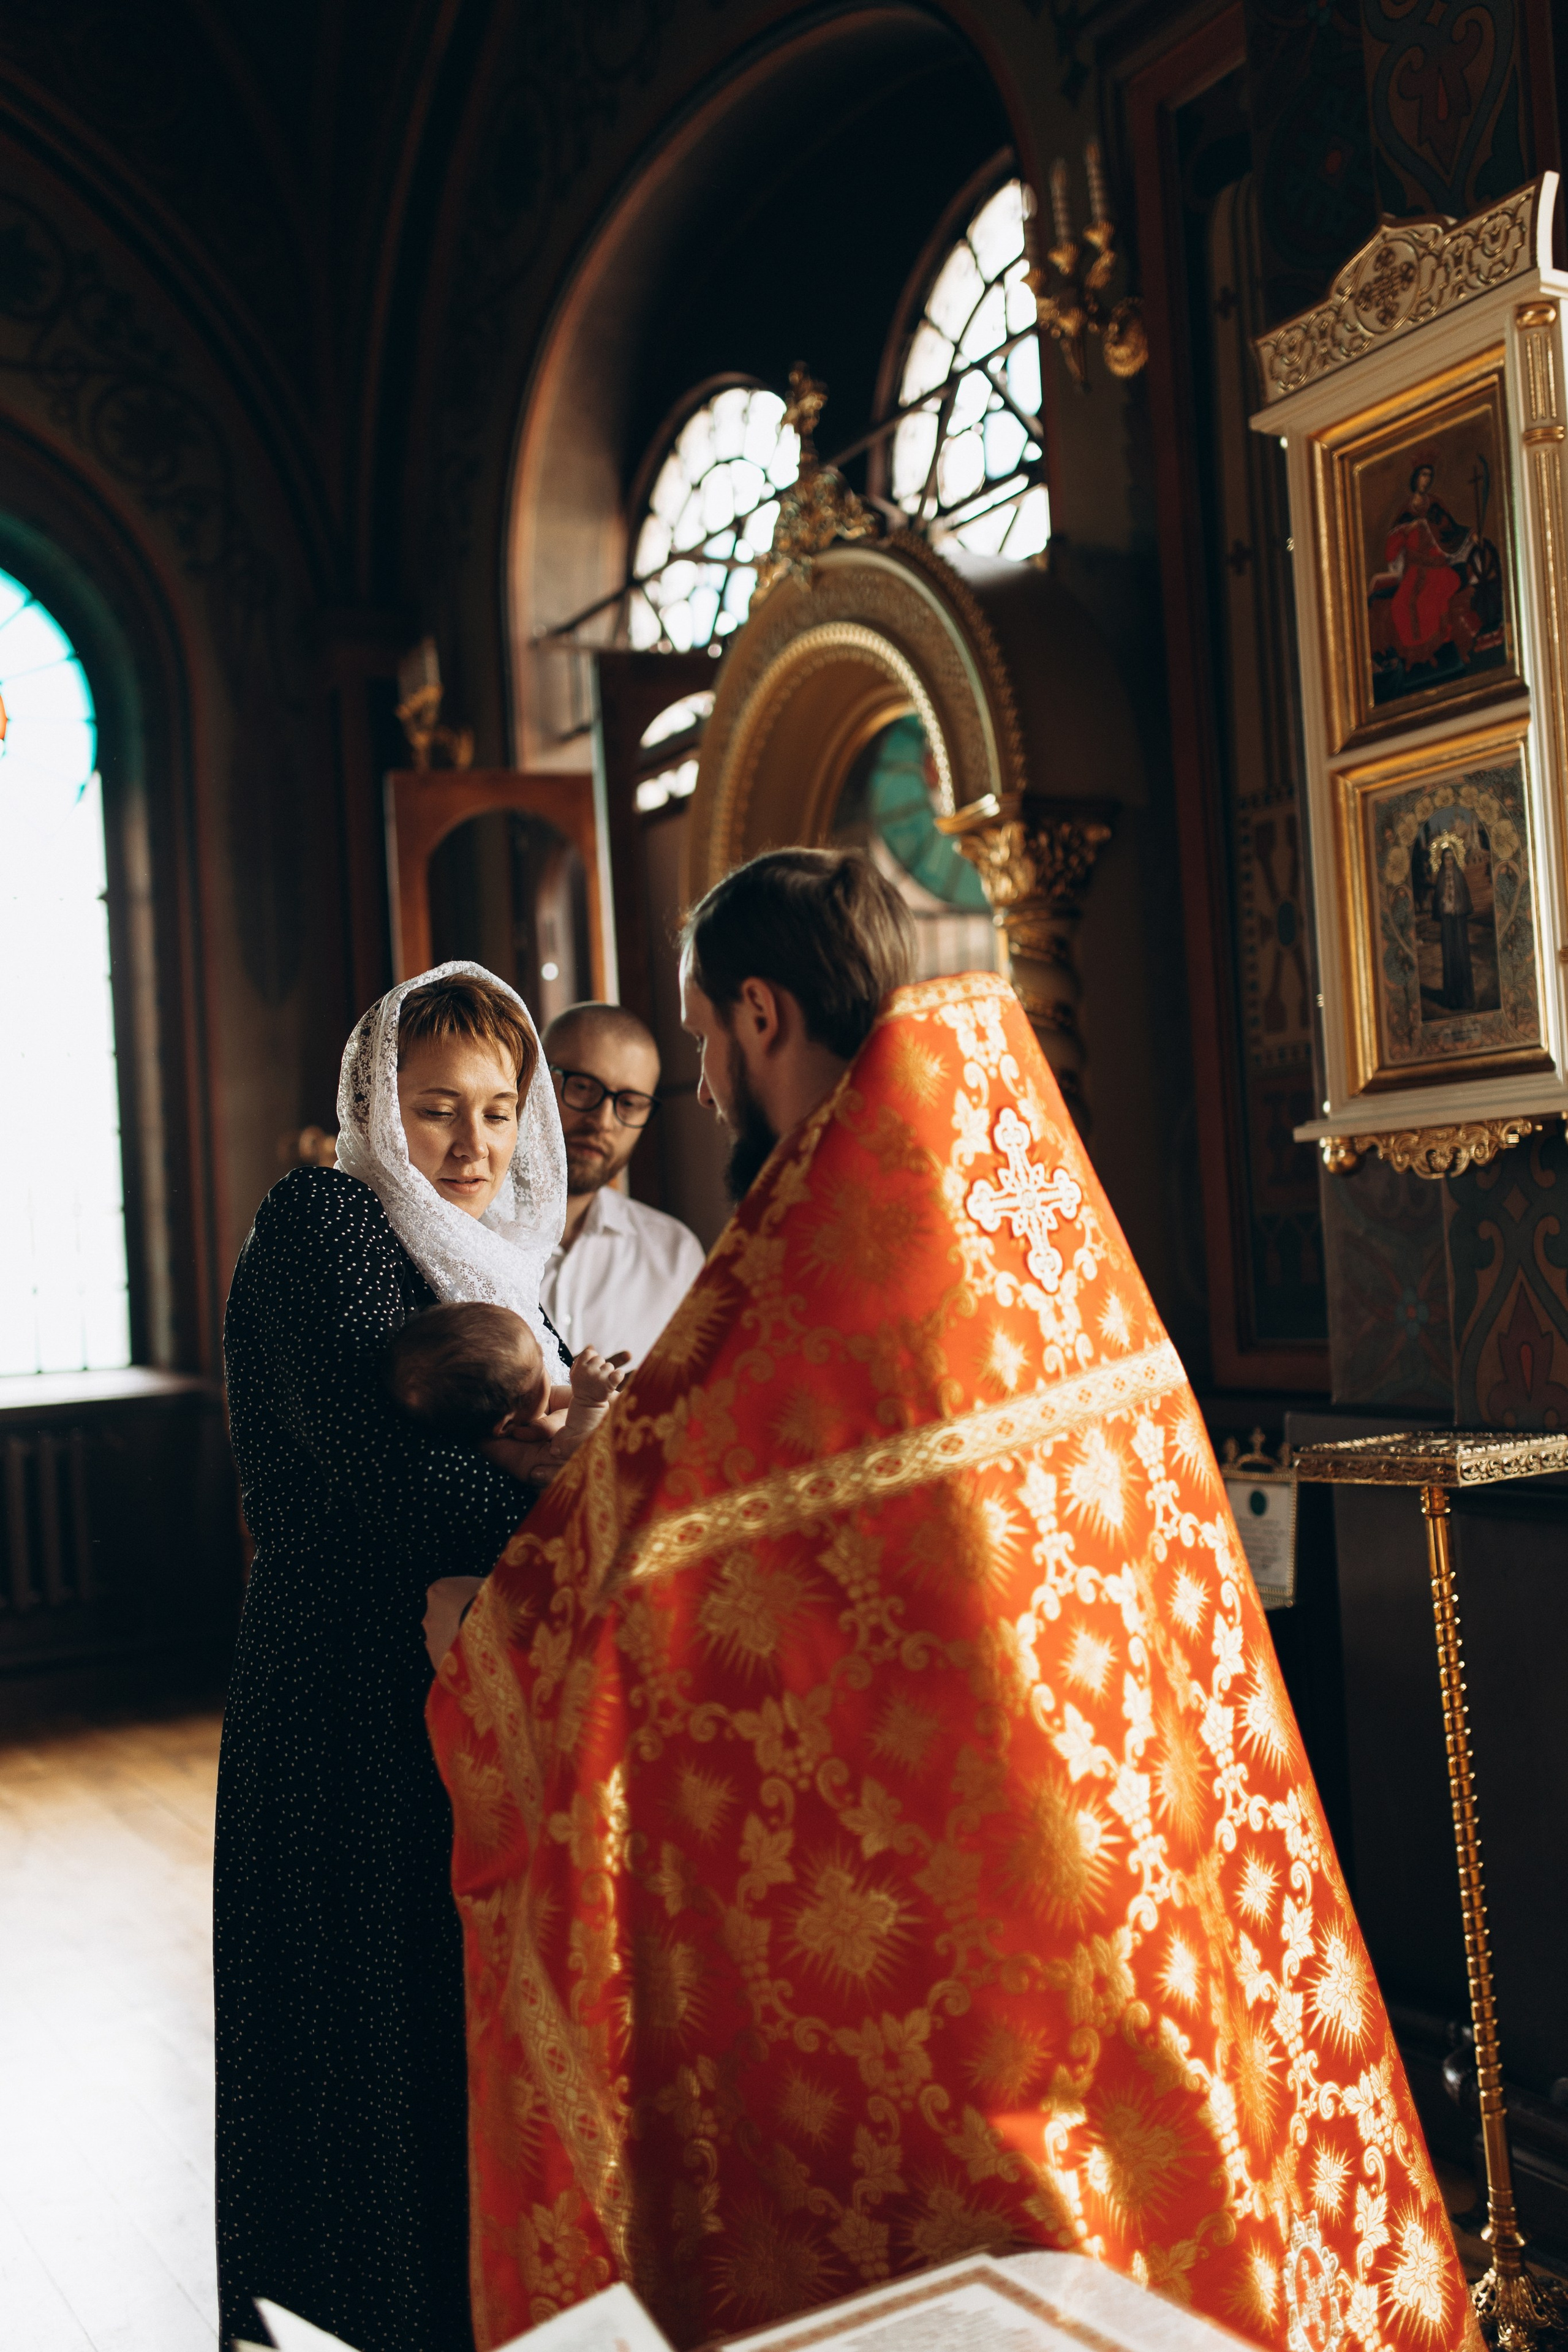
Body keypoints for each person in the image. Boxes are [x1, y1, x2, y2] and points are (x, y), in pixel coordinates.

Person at [427, 855, 1472, 2352]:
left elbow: (673, 1557)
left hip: (944, 1907)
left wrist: (498, 1624)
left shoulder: (814, 1252)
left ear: (761, 1013)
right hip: (1127, 1846)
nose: (706, 1085)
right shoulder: (1018, 1195)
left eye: (702, 1039)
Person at [216, 963, 570, 2352]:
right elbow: (406, 1485)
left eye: (498, 1110)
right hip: (346, 1696)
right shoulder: (324, 1223)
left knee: (445, 2047)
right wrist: (569, 1480)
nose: (473, 1145)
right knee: (350, 2045)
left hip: (459, 1696)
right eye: (436, 1109)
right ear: (375, 1104)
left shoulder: (503, 1268)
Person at [540, 1001, 705, 1363]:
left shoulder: (675, 1256)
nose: (603, 1122)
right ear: (532, 1079)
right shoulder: (456, 1227)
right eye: (582, 1087)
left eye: (629, 1103)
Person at [385, 1299, 628, 1466]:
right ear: (506, 1423)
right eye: (540, 1369)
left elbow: (557, 1398)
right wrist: (589, 1402)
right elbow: (580, 1455)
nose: (547, 1367)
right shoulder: (517, 1448)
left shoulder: (523, 1415)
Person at [1432, 840, 1475, 1011]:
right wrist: (1443, 902)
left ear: (1454, 859)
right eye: (1446, 859)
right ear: (1442, 861)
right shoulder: (1441, 878)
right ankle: (1451, 999)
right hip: (1447, 923)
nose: (1449, 862)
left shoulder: (1459, 875)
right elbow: (1437, 901)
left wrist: (1457, 906)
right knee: (1449, 958)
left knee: (1462, 957)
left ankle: (1465, 998)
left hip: (1459, 922)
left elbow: (1465, 898)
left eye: (1451, 858)